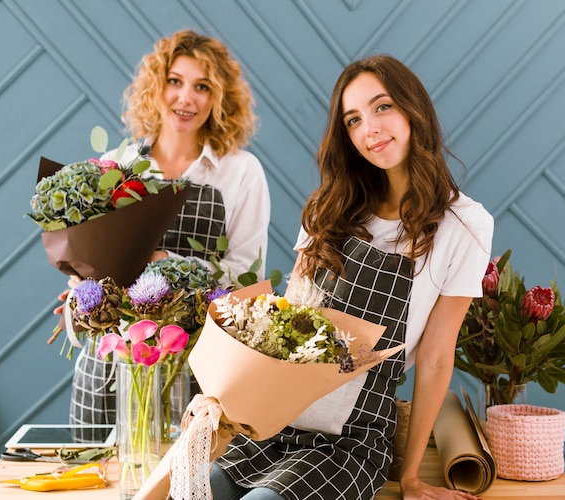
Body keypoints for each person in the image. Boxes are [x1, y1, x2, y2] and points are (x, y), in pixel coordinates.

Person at [210, 55, 493, 499]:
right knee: (199, 488)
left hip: (352, 439)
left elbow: (437, 359)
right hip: (277, 420)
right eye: (354, 120)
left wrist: (412, 477)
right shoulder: (330, 207)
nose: (370, 130)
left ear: (412, 108)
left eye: (382, 108)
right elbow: (288, 321)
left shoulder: (465, 225)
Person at [58, 30, 271, 427]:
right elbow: (88, 264)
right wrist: (81, 296)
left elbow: (246, 279)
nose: (186, 98)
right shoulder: (115, 165)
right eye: (175, 81)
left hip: (195, 365)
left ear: (220, 98)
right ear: (156, 88)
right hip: (112, 365)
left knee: (186, 484)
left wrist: (161, 263)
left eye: (202, 87)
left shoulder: (241, 173)